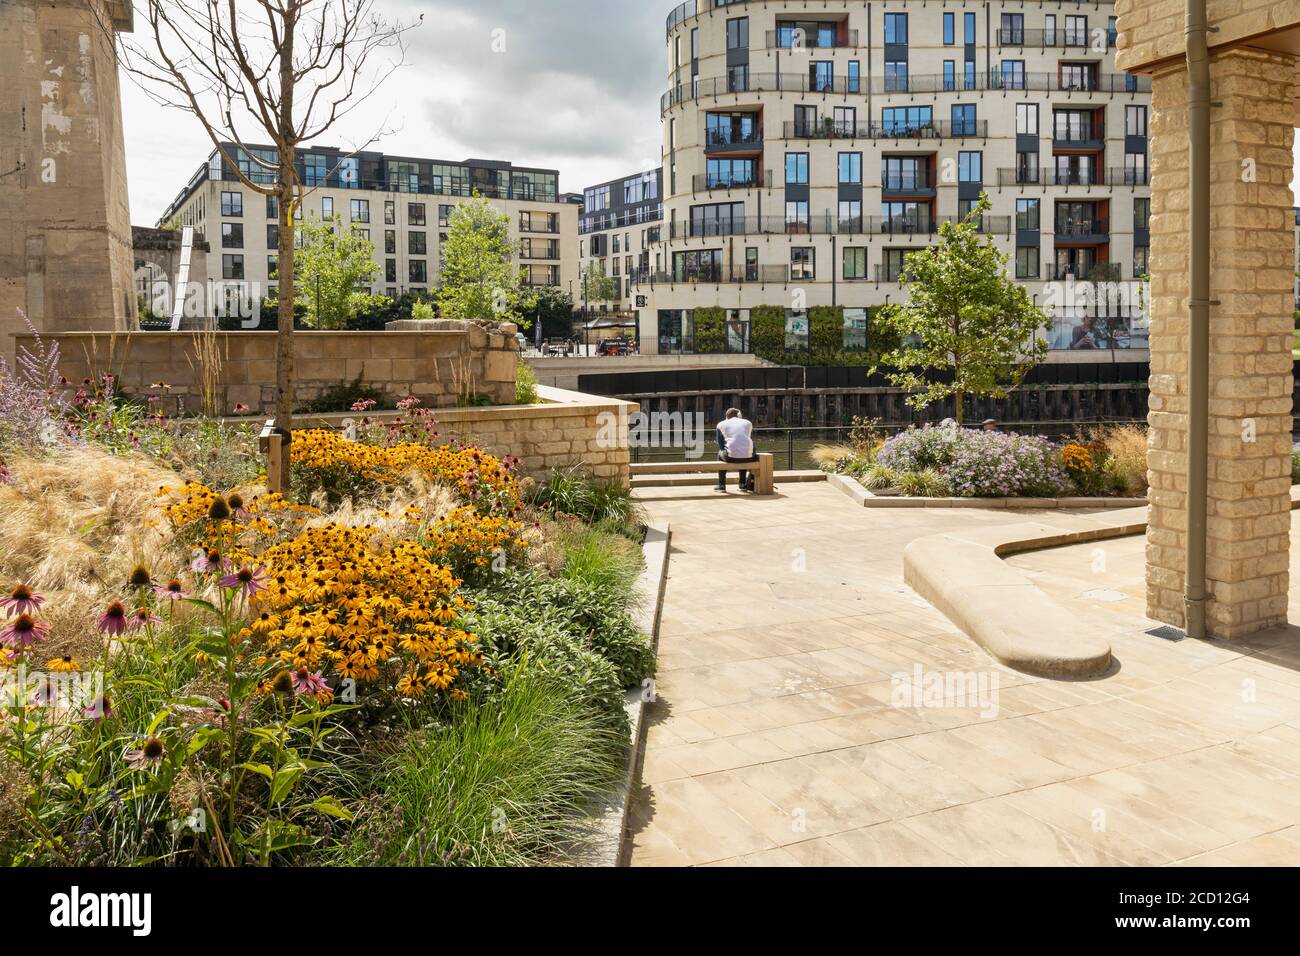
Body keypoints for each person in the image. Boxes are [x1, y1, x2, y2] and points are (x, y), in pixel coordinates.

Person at [715, 408, 757, 493]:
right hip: (749, 457)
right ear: (739, 415)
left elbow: (720, 445)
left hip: (730, 457)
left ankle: (721, 485)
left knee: (720, 453)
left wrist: (728, 449)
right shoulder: (748, 423)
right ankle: (742, 485)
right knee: (744, 451)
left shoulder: (720, 424)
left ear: (726, 416)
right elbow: (746, 439)